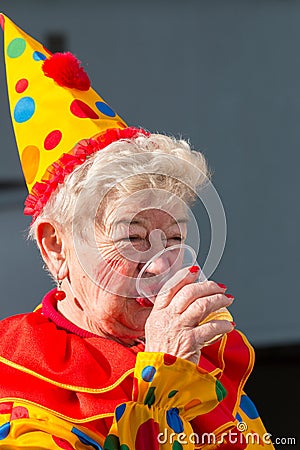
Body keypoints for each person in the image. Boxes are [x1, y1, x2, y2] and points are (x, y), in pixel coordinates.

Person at [0, 13, 274, 450]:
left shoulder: (202, 355)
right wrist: (162, 375)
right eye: (134, 237)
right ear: (57, 247)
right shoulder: (13, 374)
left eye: (177, 238)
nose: (165, 263)